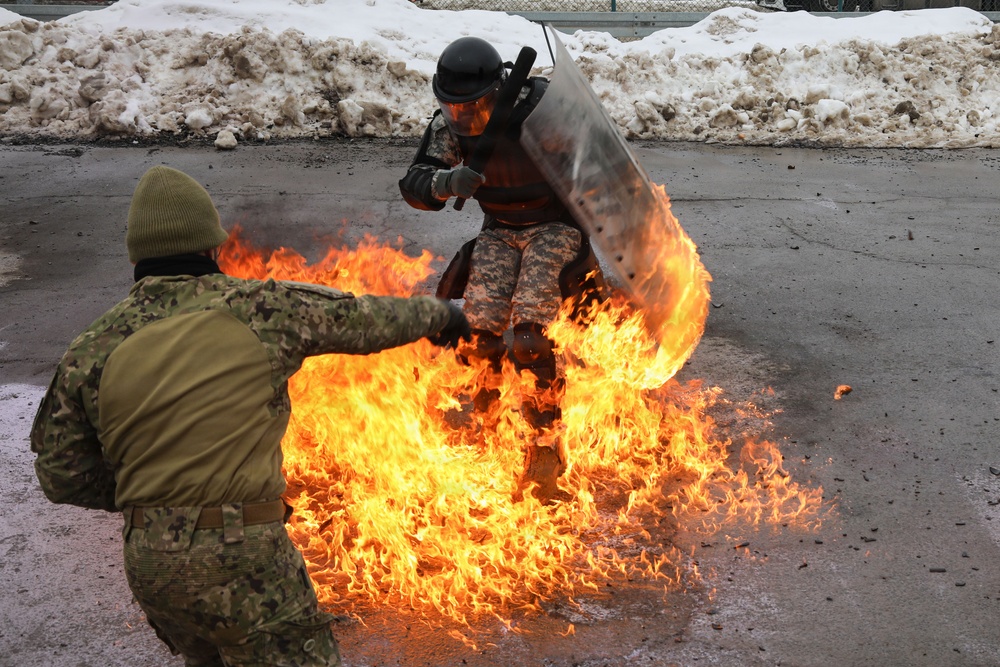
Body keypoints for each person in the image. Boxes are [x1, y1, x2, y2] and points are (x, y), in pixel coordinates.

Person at [30, 165, 471, 667]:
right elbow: (362, 319)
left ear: (136, 256)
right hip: (243, 555)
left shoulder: (92, 346)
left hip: (150, 562)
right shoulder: (260, 308)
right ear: (212, 248)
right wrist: (442, 317)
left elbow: (61, 474)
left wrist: (154, 501)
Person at [399, 36, 604, 502]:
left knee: (530, 339)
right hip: (499, 229)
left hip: (555, 227)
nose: (463, 116)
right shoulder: (450, 127)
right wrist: (445, 181)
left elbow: (597, 159)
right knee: (479, 337)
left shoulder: (541, 109)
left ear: (496, 90)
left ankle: (547, 443)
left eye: (472, 106)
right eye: (455, 107)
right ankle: (488, 424)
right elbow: (413, 183)